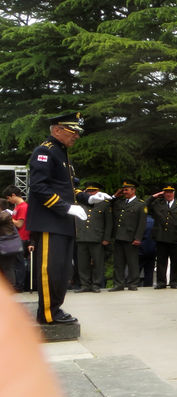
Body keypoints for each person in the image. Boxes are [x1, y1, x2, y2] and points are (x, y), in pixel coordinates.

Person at [26, 113, 101, 323]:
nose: (76, 135)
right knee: (51, 269)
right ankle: (48, 314)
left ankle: (55, 309)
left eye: (78, 131)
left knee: (62, 270)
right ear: (57, 130)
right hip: (51, 221)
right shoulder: (45, 152)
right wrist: (65, 207)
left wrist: (88, 198)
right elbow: (39, 188)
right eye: (72, 131)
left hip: (62, 222)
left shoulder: (62, 154)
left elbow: (67, 189)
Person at [74, 181, 112, 293]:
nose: (91, 193)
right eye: (89, 191)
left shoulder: (104, 203)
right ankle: (85, 284)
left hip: (97, 237)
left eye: (93, 191)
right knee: (82, 263)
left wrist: (106, 238)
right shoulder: (79, 203)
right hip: (81, 236)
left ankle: (96, 284)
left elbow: (108, 223)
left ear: (98, 191)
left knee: (98, 263)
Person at [109, 179, 147, 291]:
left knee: (132, 262)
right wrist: (115, 195)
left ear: (133, 190)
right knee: (118, 263)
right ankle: (118, 284)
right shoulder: (119, 202)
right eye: (123, 190)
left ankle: (133, 283)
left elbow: (142, 223)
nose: (124, 192)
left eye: (126, 190)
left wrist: (138, 238)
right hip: (118, 236)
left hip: (131, 238)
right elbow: (108, 204)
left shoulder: (140, 204)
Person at [148, 183, 177, 289]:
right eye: (166, 192)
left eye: (170, 192)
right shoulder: (157, 204)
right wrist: (154, 196)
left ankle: (174, 281)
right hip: (161, 236)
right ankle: (161, 282)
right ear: (163, 193)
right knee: (161, 261)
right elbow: (145, 205)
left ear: (174, 193)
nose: (168, 194)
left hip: (175, 237)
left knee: (175, 261)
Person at [2, 186, 30, 292]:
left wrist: (8, 217)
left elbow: (19, 223)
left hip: (22, 237)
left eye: (8, 198)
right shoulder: (17, 207)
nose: (8, 200)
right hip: (17, 238)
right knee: (15, 263)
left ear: (13, 195)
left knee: (19, 263)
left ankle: (19, 285)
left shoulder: (23, 207)